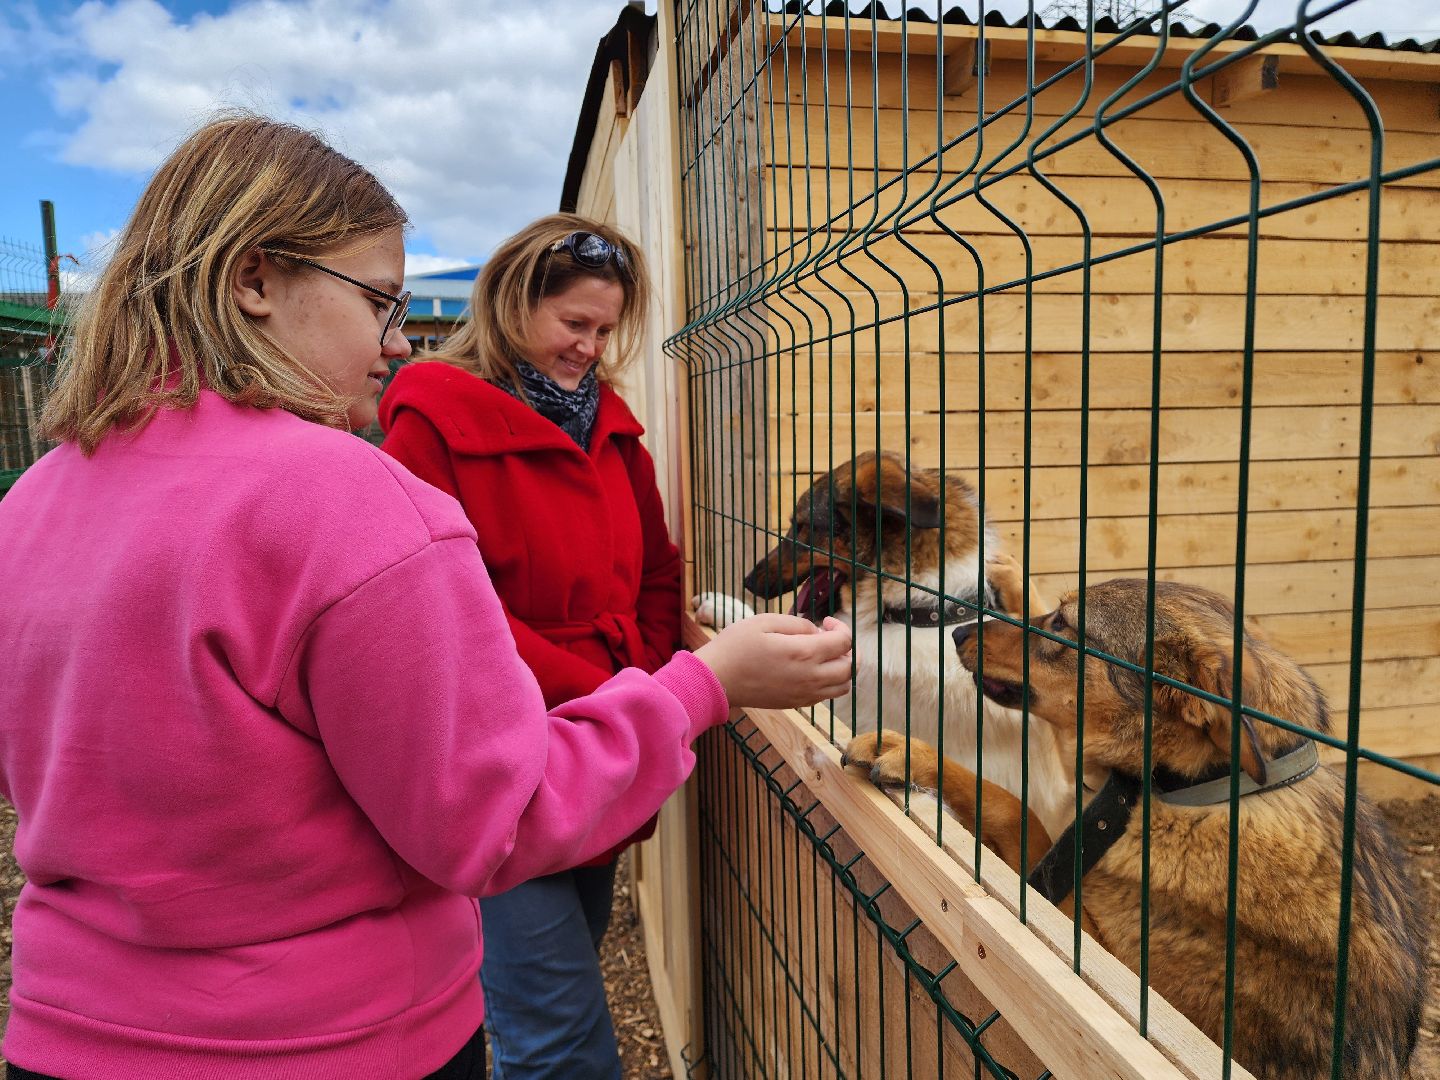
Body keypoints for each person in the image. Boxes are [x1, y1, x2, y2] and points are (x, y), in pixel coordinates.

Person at [0, 114, 853, 1080]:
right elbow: (488, 817)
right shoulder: (341, 492)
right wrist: (698, 685)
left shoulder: (35, 498)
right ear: (254, 280)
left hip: (73, 1030)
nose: (398, 341)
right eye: (379, 301)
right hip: (329, 1037)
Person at [376, 215, 688, 1078]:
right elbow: (451, 606)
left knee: (568, 958)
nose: (590, 347)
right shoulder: (431, 426)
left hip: (601, 742)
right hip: (499, 755)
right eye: (574, 323)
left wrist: (646, 671)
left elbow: (658, 571)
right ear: (514, 306)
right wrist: (620, 694)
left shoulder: (612, 430)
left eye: (605, 330)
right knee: (559, 1036)